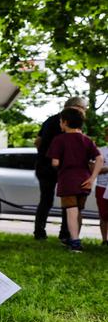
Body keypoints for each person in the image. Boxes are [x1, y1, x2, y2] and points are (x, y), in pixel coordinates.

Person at [47, 108, 102, 253]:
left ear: (65, 122)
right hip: (84, 181)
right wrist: (92, 178)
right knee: (78, 211)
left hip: (68, 180)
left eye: (60, 121)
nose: (60, 124)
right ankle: (75, 237)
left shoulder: (59, 139)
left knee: (71, 211)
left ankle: (75, 242)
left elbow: (55, 163)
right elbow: (100, 158)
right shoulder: (87, 140)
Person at [34, 97, 87, 241]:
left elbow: (37, 141)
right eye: (84, 108)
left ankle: (39, 232)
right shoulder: (71, 123)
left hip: (44, 166)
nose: (85, 111)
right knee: (68, 201)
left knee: (47, 200)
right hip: (60, 168)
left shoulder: (50, 120)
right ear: (75, 107)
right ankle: (65, 234)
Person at [96, 128, 108, 247]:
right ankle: (105, 240)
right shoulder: (101, 151)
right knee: (104, 214)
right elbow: (94, 169)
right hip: (102, 186)